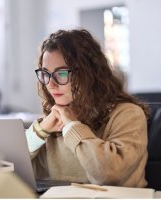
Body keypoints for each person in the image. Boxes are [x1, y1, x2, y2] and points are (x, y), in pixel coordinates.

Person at [25, 29, 149, 188]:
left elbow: (108, 175)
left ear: (88, 73)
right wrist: (40, 131)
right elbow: (11, 167)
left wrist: (72, 126)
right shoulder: (52, 121)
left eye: (61, 74)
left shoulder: (128, 115)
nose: (50, 84)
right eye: (45, 74)